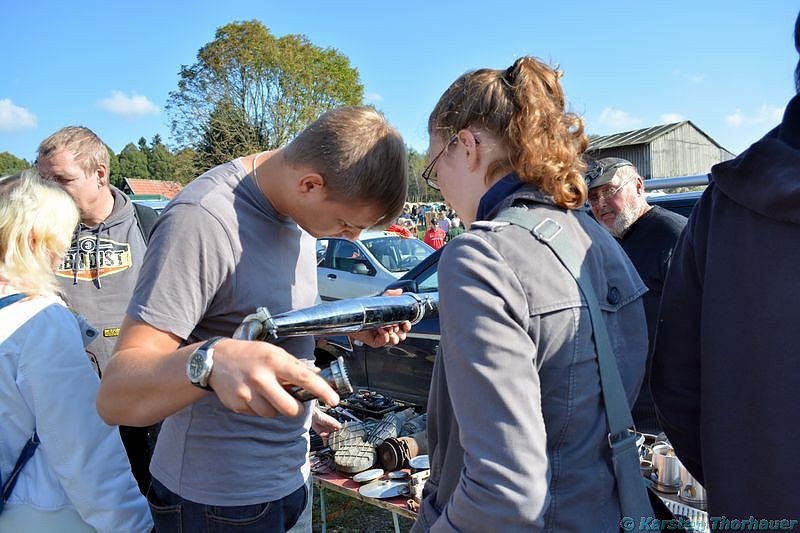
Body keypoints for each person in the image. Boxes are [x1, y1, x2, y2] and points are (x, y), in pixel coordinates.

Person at [96, 106, 410, 532]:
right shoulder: (204, 219)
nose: (349, 238)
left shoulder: (298, 212)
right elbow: (117, 391)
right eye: (347, 224)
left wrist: (349, 321)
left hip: (290, 477)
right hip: (217, 504)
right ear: (310, 184)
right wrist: (213, 360)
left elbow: (270, 320)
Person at [412, 57, 648, 531]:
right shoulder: (599, 240)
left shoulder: (481, 255)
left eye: (436, 168)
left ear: (467, 146)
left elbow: (504, 495)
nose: (439, 189)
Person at [651, 13, 800, 519]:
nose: (601, 204)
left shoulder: (719, 207)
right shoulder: (719, 206)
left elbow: (675, 379)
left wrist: (743, 481)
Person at [0, 170, 152, 532]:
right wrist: (136, 524)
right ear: (38, 240)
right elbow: (85, 452)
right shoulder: (41, 321)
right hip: (41, 513)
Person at [36, 126, 158, 495]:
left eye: (62, 179)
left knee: (148, 496)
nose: (49, 191)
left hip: (142, 398)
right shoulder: (40, 233)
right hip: (70, 400)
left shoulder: (149, 225)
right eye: (43, 180)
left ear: (99, 174)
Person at [586, 157, 686, 434]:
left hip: (664, 416)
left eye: (610, 191)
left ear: (639, 186)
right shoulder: (604, 244)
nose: (601, 203)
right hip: (621, 410)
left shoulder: (673, 234)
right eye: (593, 196)